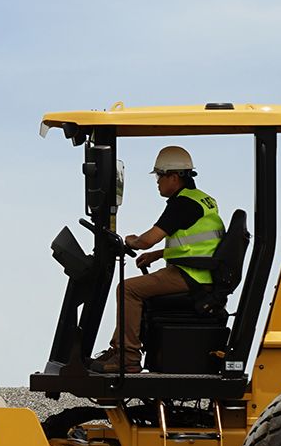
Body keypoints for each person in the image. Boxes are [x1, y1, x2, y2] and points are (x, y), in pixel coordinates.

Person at [90, 146, 224, 374]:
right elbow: (197, 244)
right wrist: (157, 255)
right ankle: (119, 350)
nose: (158, 182)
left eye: (160, 176)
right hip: (198, 271)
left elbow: (148, 239)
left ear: (174, 177)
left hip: (191, 275)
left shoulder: (182, 204)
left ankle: (127, 357)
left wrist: (131, 241)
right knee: (134, 289)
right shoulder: (202, 200)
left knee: (128, 289)